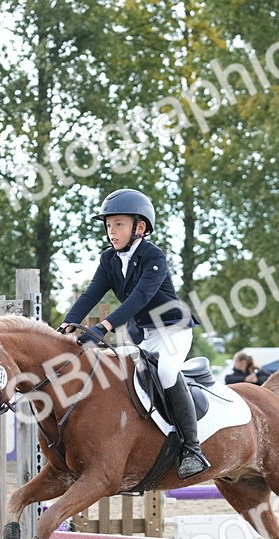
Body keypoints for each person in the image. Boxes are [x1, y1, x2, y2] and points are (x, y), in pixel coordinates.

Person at [59, 188, 210, 480]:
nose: (111, 231)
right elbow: (92, 294)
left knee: (166, 372)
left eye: (118, 224)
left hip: (173, 330)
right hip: (144, 335)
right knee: (116, 373)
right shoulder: (109, 260)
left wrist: (102, 328)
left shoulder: (154, 256)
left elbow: (138, 299)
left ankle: (192, 448)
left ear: (139, 228)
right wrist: (68, 324)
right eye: (108, 225)